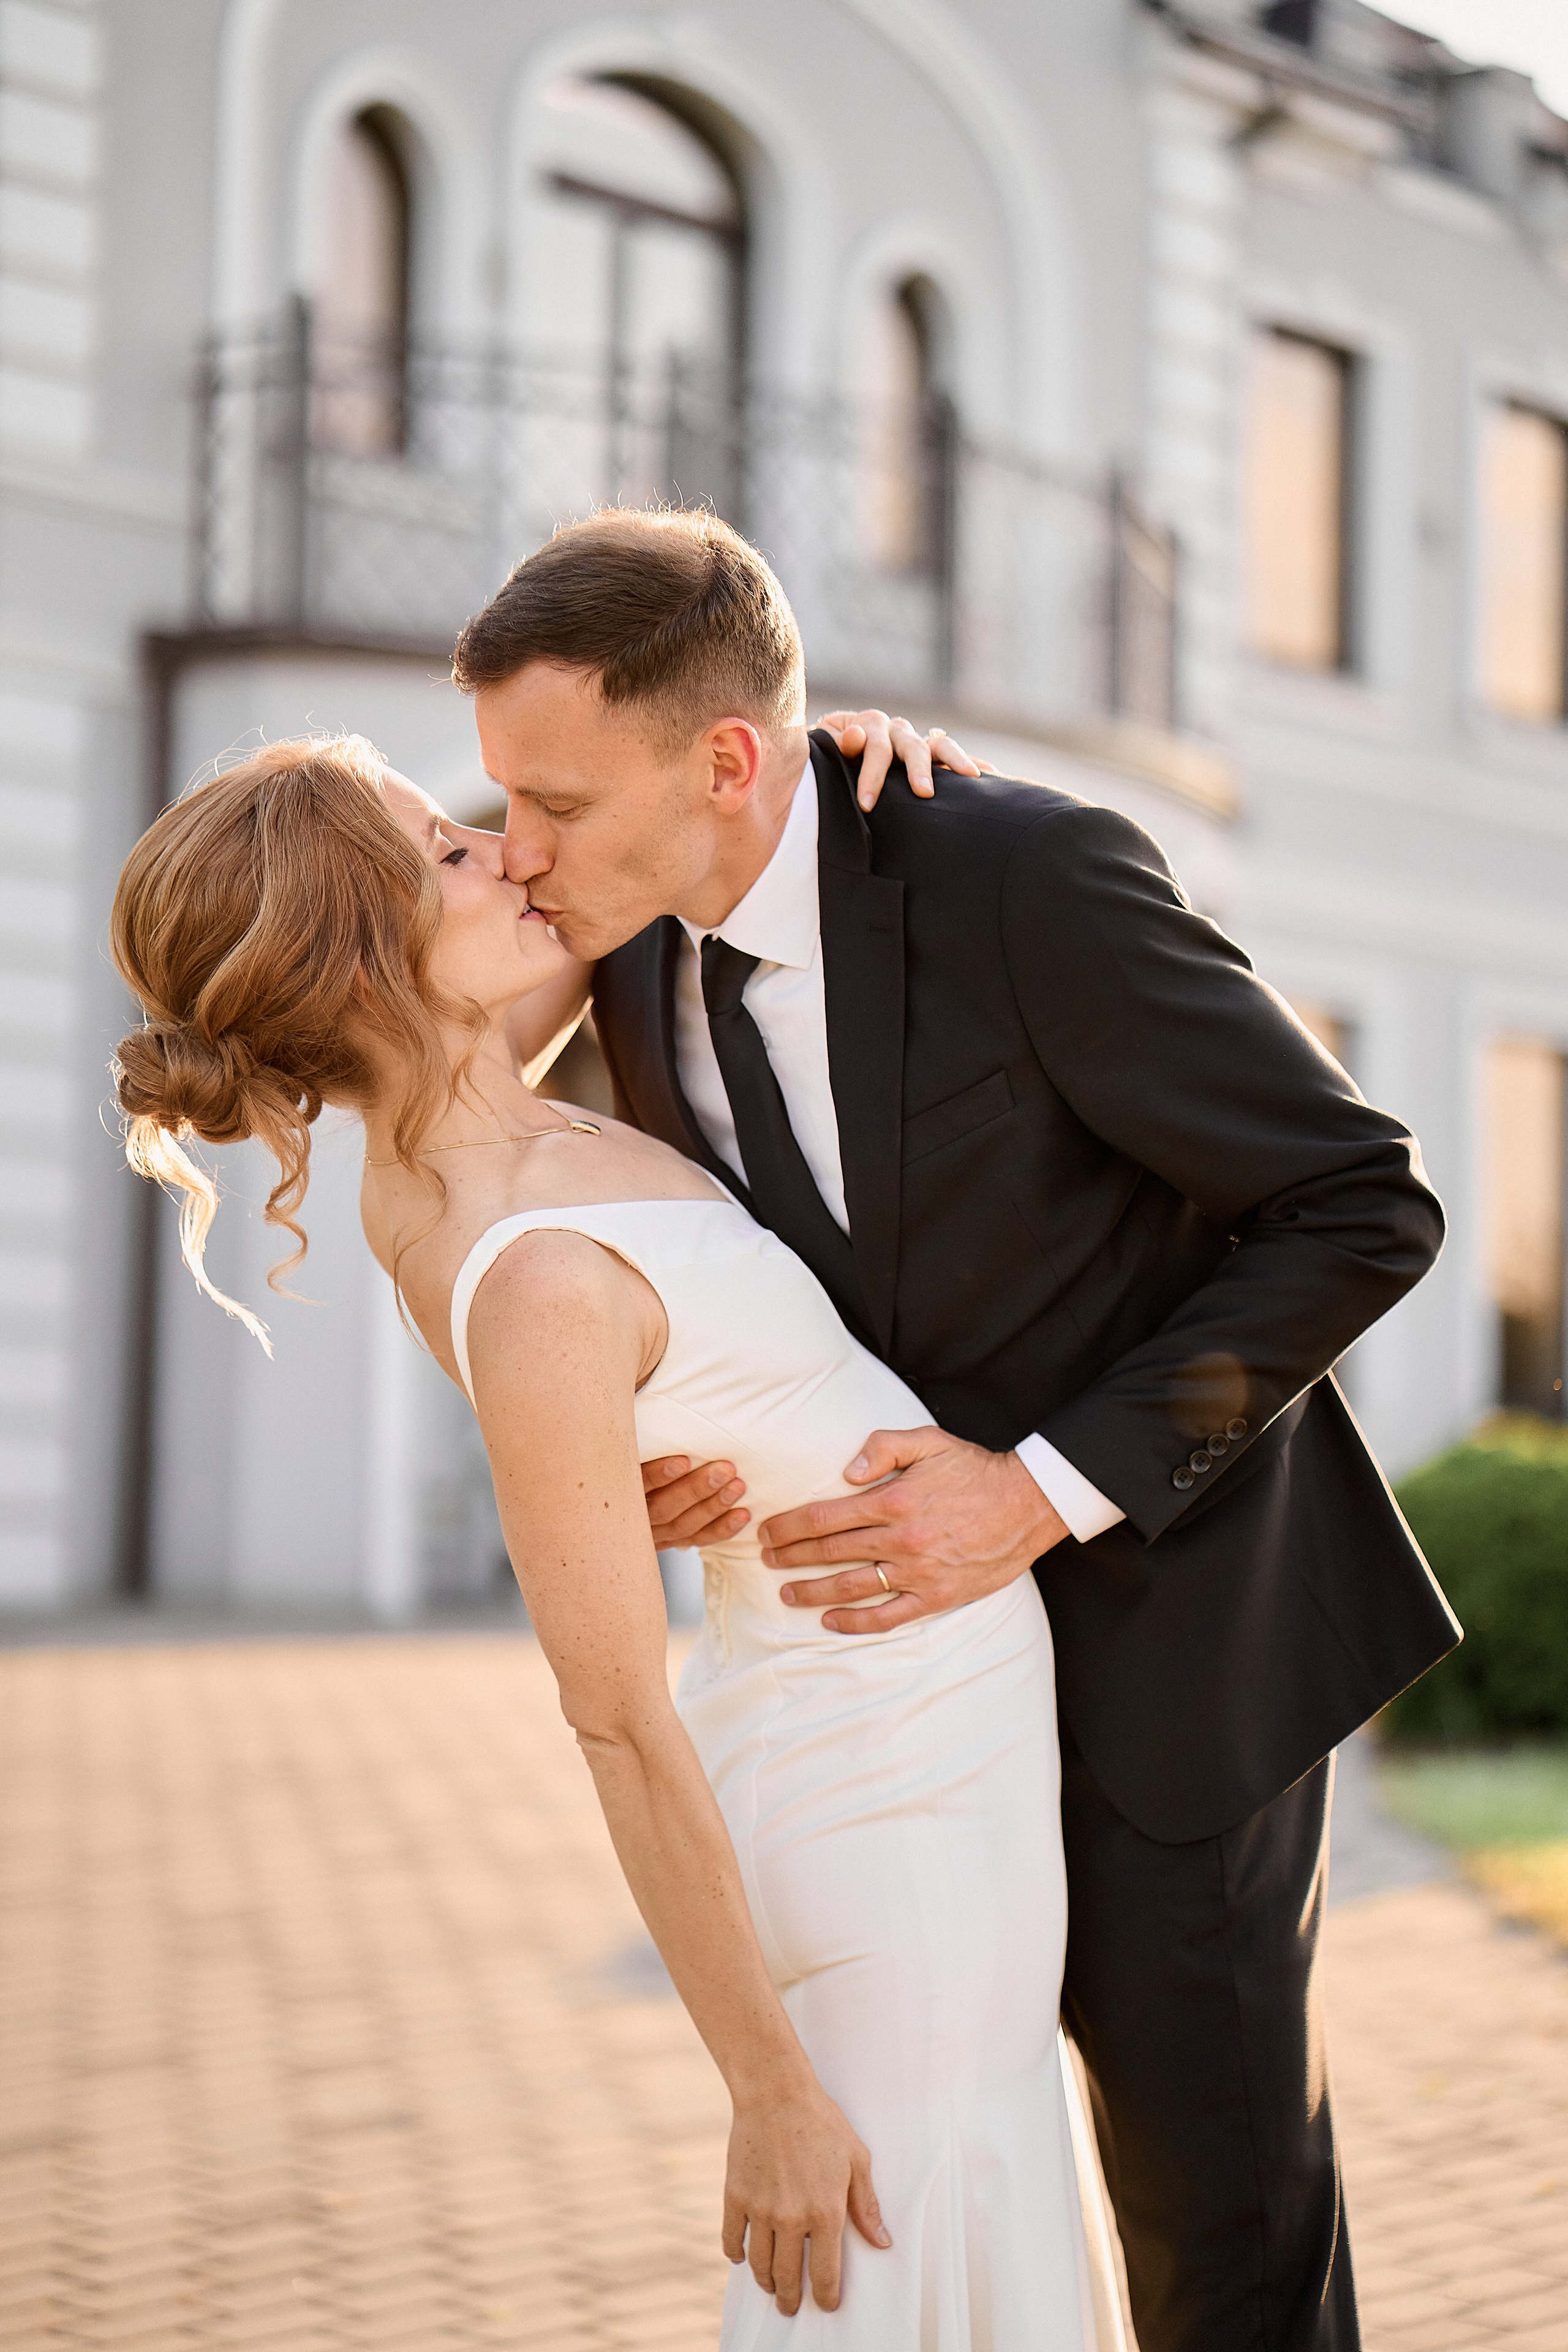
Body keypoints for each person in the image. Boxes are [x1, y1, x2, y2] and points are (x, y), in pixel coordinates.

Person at [447, 506, 1462, 2352]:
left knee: (1216, 2237)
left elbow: (1359, 1205)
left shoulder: (1022, 873)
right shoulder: (619, 952)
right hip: (893, 1726)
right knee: (955, 2195)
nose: (518, 848)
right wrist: (703, 1461)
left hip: (1175, 1648)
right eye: (506, 798)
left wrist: (1042, 1493)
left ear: (729, 761)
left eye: (558, 804)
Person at [110, 728, 1128, 2351]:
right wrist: (763, 2090)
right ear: (372, 959)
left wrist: (817, 745)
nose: (507, 855)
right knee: (894, 2238)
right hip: (882, 1798)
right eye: (448, 854)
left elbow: (646, 876)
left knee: (972, 2204)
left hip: (932, 1751)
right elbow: (614, 1715)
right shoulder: (529, 1279)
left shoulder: (465, 1108)